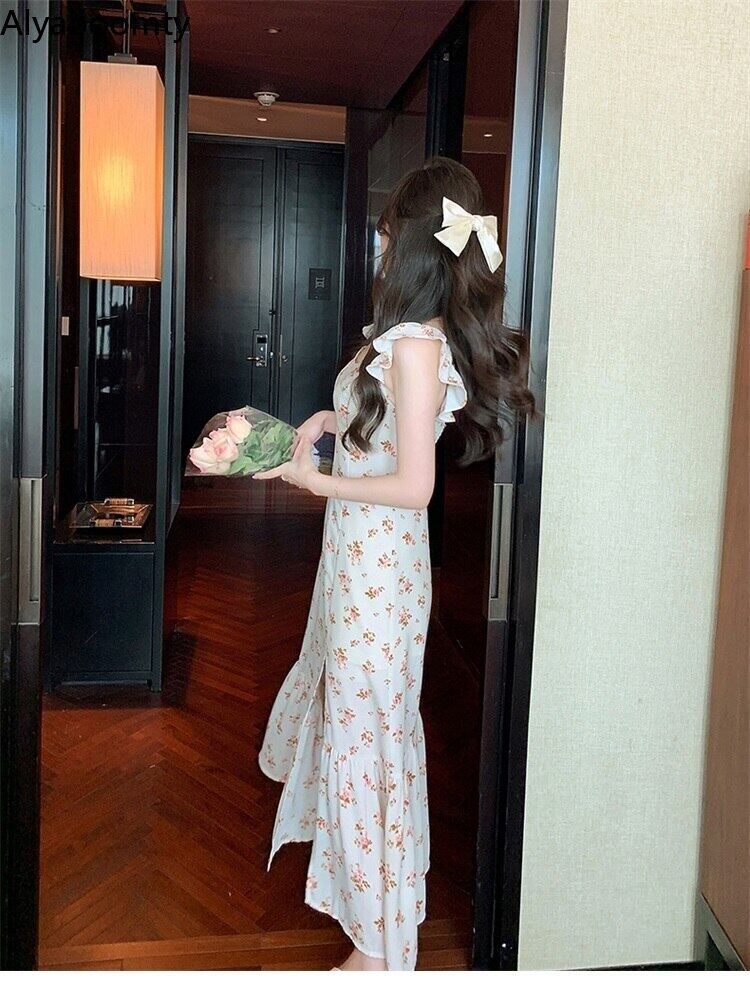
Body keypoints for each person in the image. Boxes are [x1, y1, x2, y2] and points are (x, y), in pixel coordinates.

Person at [255, 156, 535, 971]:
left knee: (366, 745)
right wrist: (329, 421)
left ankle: (377, 955)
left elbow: (415, 486)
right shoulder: (411, 339)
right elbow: (386, 442)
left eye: (386, 231)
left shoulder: (414, 344)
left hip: (378, 578)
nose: (378, 244)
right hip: (363, 569)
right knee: (365, 740)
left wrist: (317, 482)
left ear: (411, 242)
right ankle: (376, 940)